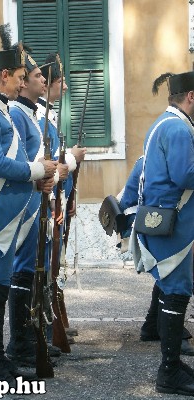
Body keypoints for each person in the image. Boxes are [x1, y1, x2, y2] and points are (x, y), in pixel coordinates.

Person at [0, 40, 58, 384]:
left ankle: (1, 360)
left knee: (1, 287)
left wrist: (38, 180)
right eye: (20, 76)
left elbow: (16, 162)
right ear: (4, 75)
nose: (23, 84)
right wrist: (38, 172)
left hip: (11, 213)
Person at [130, 71, 194, 395]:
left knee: (172, 289)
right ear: (191, 97)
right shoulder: (179, 129)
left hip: (161, 221)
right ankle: (169, 372)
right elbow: (186, 175)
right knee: (177, 292)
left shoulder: (162, 124)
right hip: (175, 226)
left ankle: (173, 366)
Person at [6, 51, 67, 367]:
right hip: (27, 204)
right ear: (23, 83)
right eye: (38, 76)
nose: (44, 79)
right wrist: (49, 173)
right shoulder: (17, 114)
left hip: (40, 203)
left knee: (36, 270)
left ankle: (32, 337)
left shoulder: (30, 114)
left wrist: (54, 175)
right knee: (25, 269)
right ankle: (20, 342)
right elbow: (23, 164)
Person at [118, 156, 194, 356]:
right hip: (145, 221)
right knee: (176, 271)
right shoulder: (165, 161)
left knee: (169, 269)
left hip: (148, 218)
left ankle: (152, 325)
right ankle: (171, 334)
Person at [37, 53, 87, 344]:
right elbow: (46, 162)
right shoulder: (38, 115)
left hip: (58, 200)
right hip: (48, 202)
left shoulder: (50, 113)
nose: (65, 86)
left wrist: (67, 200)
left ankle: (54, 323)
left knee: (55, 266)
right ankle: (45, 331)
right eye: (60, 81)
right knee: (48, 267)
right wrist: (72, 157)